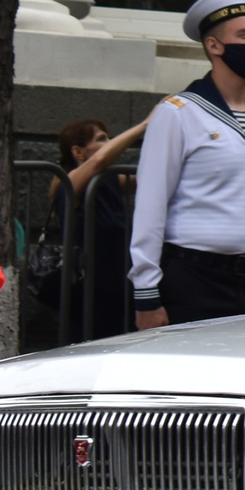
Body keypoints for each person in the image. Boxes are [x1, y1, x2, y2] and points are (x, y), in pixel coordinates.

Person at [129, 0, 245, 328]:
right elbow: (150, 206)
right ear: (214, 45)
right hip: (196, 280)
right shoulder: (178, 113)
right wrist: (146, 291)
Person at [51, 117, 145, 341]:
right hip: (90, 291)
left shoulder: (109, 181)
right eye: (102, 139)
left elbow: (150, 175)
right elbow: (99, 160)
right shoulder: (70, 182)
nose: (109, 143)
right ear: (78, 152)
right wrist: (144, 126)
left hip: (119, 286)